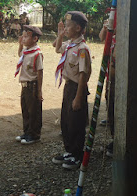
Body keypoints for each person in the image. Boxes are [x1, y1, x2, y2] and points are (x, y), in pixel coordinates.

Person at [52, 11, 91, 170]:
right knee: (66, 120)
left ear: (78, 28)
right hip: (68, 86)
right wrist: (60, 34)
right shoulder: (70, 44)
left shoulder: (82, 48)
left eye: (68, 26)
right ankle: (69, 150)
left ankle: (77, 154)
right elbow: (56, 48)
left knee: (76, 122)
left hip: (77, 87)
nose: (66, 28)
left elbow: (84, 74)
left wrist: (78, 97)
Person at [14, 25, 43, 145]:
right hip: (25, 85)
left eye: (26, 37)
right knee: (25, 109)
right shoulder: (27, 50)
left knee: (34, 111)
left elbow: (40, 72)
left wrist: (39, 90)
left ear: (35, 39)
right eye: (23, 36)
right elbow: (20, 53)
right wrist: (20, 43)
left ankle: (34, 134)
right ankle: (26, 132)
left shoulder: (37, 53)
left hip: (33, 85)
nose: (24, 38)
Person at [98, 19, 116, 157]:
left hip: (119, 80)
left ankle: (118, 140)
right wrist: (106, 27)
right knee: (110, 104)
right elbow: (101, 37)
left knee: (117, 108)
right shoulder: (113, 39)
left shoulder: (123, 40)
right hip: (110, 77)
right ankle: (113, 136)